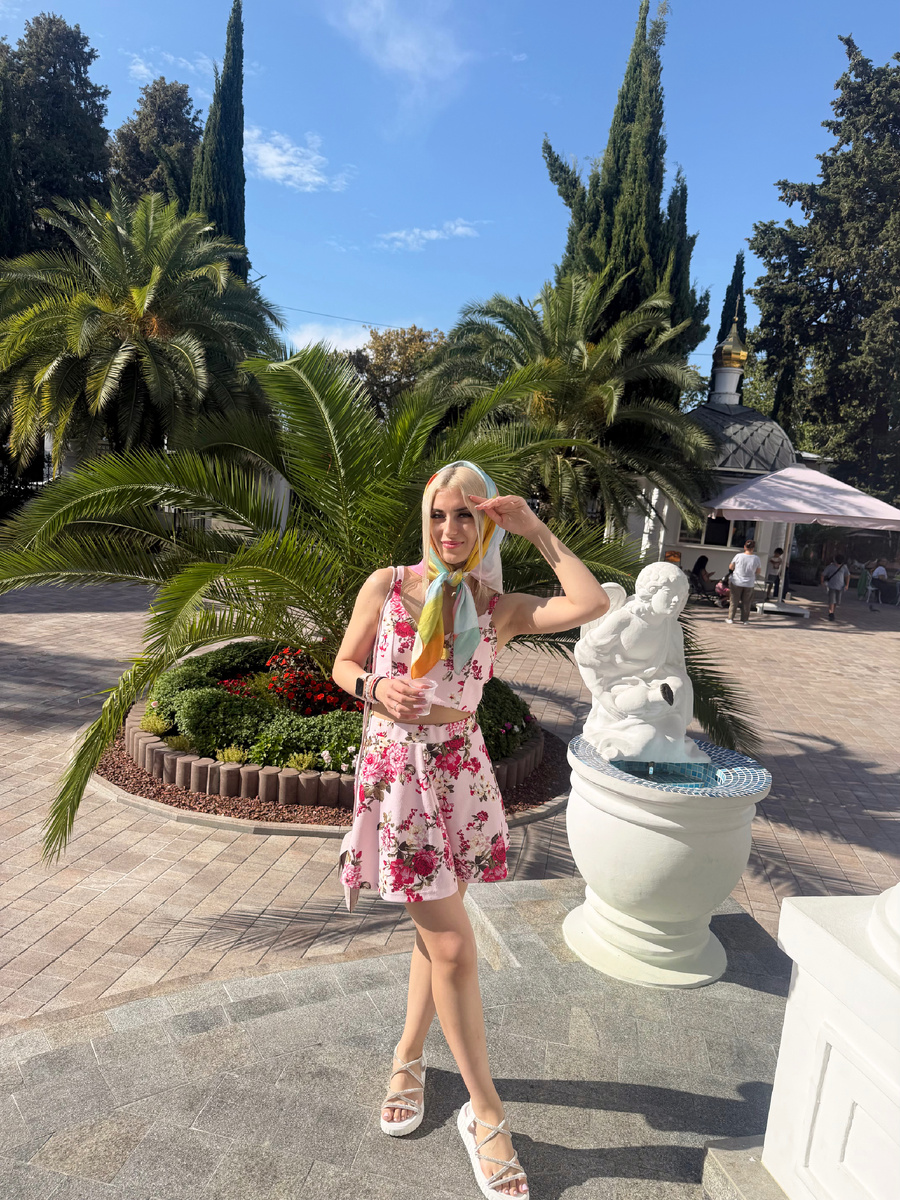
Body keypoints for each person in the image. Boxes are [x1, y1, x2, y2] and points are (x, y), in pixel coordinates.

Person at [332, 461, 610, 1197]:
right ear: (424, 518)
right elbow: (343, 663)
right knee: (453, 942)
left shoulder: (496, 606)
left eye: (465, 516)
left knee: (438, 932)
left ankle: (407, 1057)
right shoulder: (387, 585)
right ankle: (485, 1114)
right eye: (438, 514)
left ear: (485, 524)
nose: (449, 529)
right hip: (399, 773)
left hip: (459, 773)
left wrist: (536, 529)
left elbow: (590, 603)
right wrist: (374, 687)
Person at [726, 538, 762, 625]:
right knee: (746, 602)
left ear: (745, 547)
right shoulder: (756, 558)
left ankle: (731, 618)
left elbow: (731, 567)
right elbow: (758, 571)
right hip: (749, 583)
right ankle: (745, 620)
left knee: (734, 601)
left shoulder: (738, 556)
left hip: (736, 581)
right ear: (753, 548)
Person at [821, 553, 850, 621]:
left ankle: (833, 611)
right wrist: (822, 582)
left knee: (836, 601)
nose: (838, 565)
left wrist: (847, 585)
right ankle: (831, 613)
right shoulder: (830, 567)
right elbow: (823, 574)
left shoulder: (844, 567)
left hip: (840, 587)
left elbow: (847, 576)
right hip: (831, 586)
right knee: (831, 600)